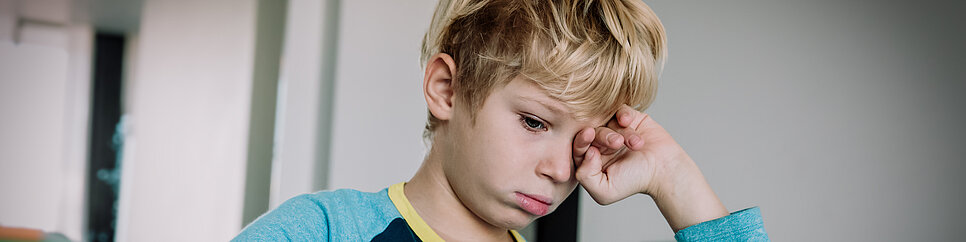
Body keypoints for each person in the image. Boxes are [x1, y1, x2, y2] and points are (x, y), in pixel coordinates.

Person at [234, 0, 769, 241]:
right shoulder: (327, 230)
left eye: (584, 141)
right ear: (447, 90)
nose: (562, 170)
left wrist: (676, 179)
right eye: (536, 122)